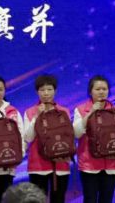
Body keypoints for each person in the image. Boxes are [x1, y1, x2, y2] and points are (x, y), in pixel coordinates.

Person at [73, 76, 115, 203]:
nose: (101, 92)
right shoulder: (80, 110)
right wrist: (91, 112)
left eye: (104, 89)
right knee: (90, 199)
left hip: (111, 164)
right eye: (98, 89)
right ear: (90, 91)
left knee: (107, 199)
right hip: (89, 164)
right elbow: (77, 133)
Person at [24, 75, 70, 203]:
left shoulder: (64, 111)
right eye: (42, 90)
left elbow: (68, 136)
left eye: (49, 89)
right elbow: (28, 137)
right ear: (37, 92)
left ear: (55, 91)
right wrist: (37, 116)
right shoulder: (30, 112)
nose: (46, 93)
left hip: (60, 165)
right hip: (37, 165)